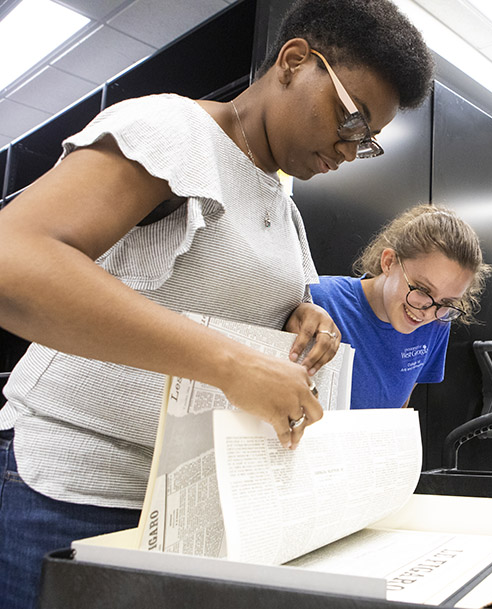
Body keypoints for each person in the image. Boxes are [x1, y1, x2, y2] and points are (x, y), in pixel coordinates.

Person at [0, 0, 434, 607]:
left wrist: (301, 318)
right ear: (294, 61)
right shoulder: (177, 131)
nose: (349, 148)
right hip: (69, 495)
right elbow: (12, 262)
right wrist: (232, 365)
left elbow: (239, 292)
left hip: (177, 507)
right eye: (352, 119)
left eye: (369, 141)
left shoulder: (282, 206)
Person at [311, 204, 492, 410]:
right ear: (388, 262)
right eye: (422, 289)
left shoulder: (438, 323)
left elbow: (399, 407)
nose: (427, 312)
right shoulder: (319, 299)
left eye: (447, 302)